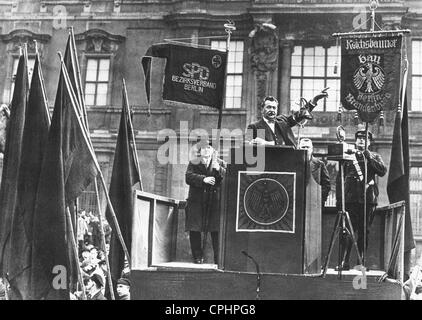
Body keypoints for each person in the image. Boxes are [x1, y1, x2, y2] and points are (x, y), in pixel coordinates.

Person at [337, 129, 387, 270]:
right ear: (355, 140)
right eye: (359, 138)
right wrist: (340, 200)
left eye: (364, 138)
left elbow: (382, 171)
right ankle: (344, 262)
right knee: (347, 230)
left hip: (368, 199)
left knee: (364, 231)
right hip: (350, 199)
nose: (361, 140)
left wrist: (369, 158)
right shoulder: (347, 156)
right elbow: (340, 178)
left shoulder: (375, 156)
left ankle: (361, 262)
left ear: (369, 142)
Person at [185, 140, 226, 264]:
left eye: (209, 148)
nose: (206, 150)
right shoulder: (194, 162)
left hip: (214, 202)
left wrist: (219, 169)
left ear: (213, 151)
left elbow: (230, 177)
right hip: (197, 201)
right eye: (204, 148)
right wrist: (204, 179)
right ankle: (197, 257)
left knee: (216, 231)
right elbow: (188, 177)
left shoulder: (220, 163)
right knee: (195, 229)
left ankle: (218, 259)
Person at [246, 91, 328, 147]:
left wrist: (315, 99)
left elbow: (301, 114)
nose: (272, 110)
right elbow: (247, 146)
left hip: (289, 161)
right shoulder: (253, 127)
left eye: (274, 108)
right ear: (262, 109)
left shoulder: (283, 120)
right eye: (269, 107)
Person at [299, 138, 331, 204]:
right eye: (303, 147)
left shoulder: (320, 164)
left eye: (307, 147)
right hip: (298, 202)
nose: (305, 149)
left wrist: (320, 199)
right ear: (299, 148)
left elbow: (326, 185)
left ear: (312, 149)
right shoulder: (294, 163)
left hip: (315, 203)